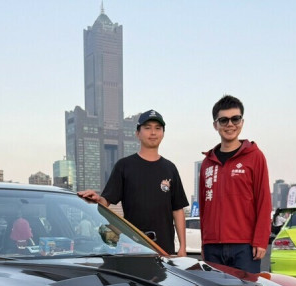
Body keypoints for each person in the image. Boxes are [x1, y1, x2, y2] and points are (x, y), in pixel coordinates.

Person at [78, 110, 188, 256]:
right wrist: (96, 199)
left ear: (163, 133)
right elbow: (106, 201)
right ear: (137, 134)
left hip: (164, 248)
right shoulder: (124, 166)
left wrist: (182, 247)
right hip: (133, 247)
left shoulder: (170, 168)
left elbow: (178, 209)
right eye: (147, 128)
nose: (153, 132)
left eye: (158, 128)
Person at [198, 95, 272, 273]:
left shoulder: (255, 156)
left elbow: (263, 201)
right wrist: (204, 242)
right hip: (212, 246)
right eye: (223, 120)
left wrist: (260, 241)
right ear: (215, 125)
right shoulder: (207, 163)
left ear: (242, 122)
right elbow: (204, 207)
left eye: (235, 119)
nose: (230, 124)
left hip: (244, 247)